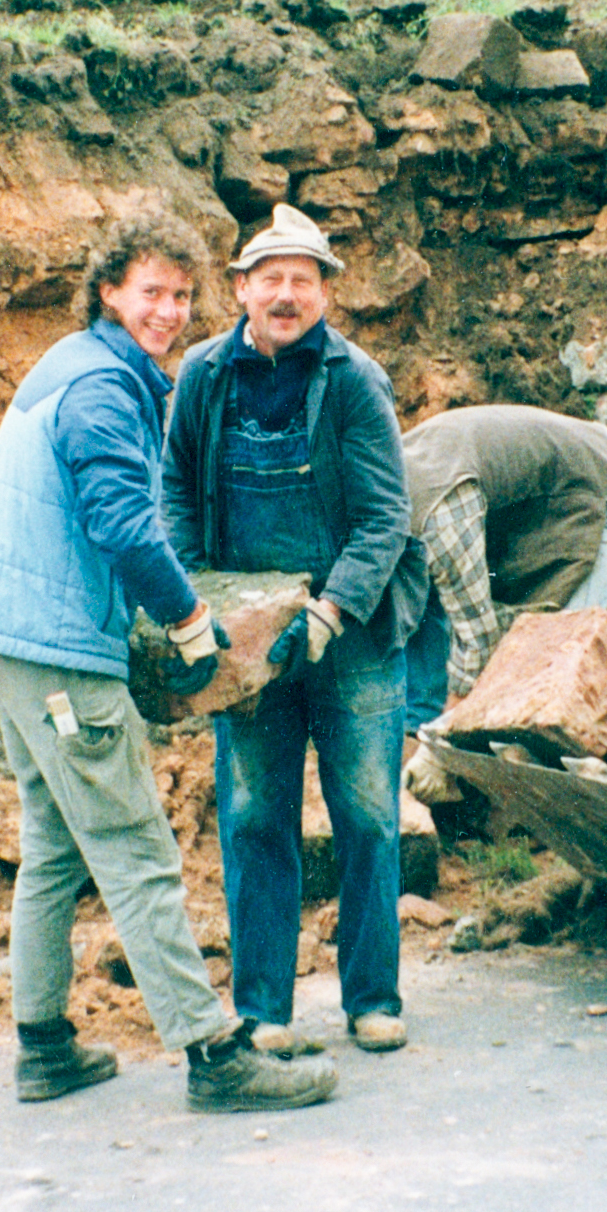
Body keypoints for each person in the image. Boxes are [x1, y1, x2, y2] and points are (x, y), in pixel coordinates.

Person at [0, 211, 340, 1115]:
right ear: (107, 291)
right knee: (134, 847)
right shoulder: (99, 386)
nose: (165, 311)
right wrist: (194, 624)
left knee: (52, 847)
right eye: (148, 292)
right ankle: (215, 1058)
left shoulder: (84, 363)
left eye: (177, 296)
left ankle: (43, 1046)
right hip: (54, 646)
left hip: (6, 635)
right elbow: (122, 523)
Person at [165, 205, 426, 1057]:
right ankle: (265, 1009)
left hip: (348, 635)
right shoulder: (202, 376)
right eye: (269, 278)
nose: (285, 295)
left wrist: (330, 608)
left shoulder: (354, 381)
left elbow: (386, 515)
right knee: (250, 816)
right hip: (246, 646)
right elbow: (173, 494)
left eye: (302, 281)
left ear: (324, 294)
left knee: (367, 817)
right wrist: (198, 602)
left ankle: (372, 998)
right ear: (240, 288)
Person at [399, 405, 607, 736]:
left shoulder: (437, 516)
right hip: (533, 486)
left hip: (598, 488)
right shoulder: (384, 481)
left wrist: (448, 730)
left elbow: (479, 636)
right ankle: (418, 728)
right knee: (417, 591)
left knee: (566, 663)